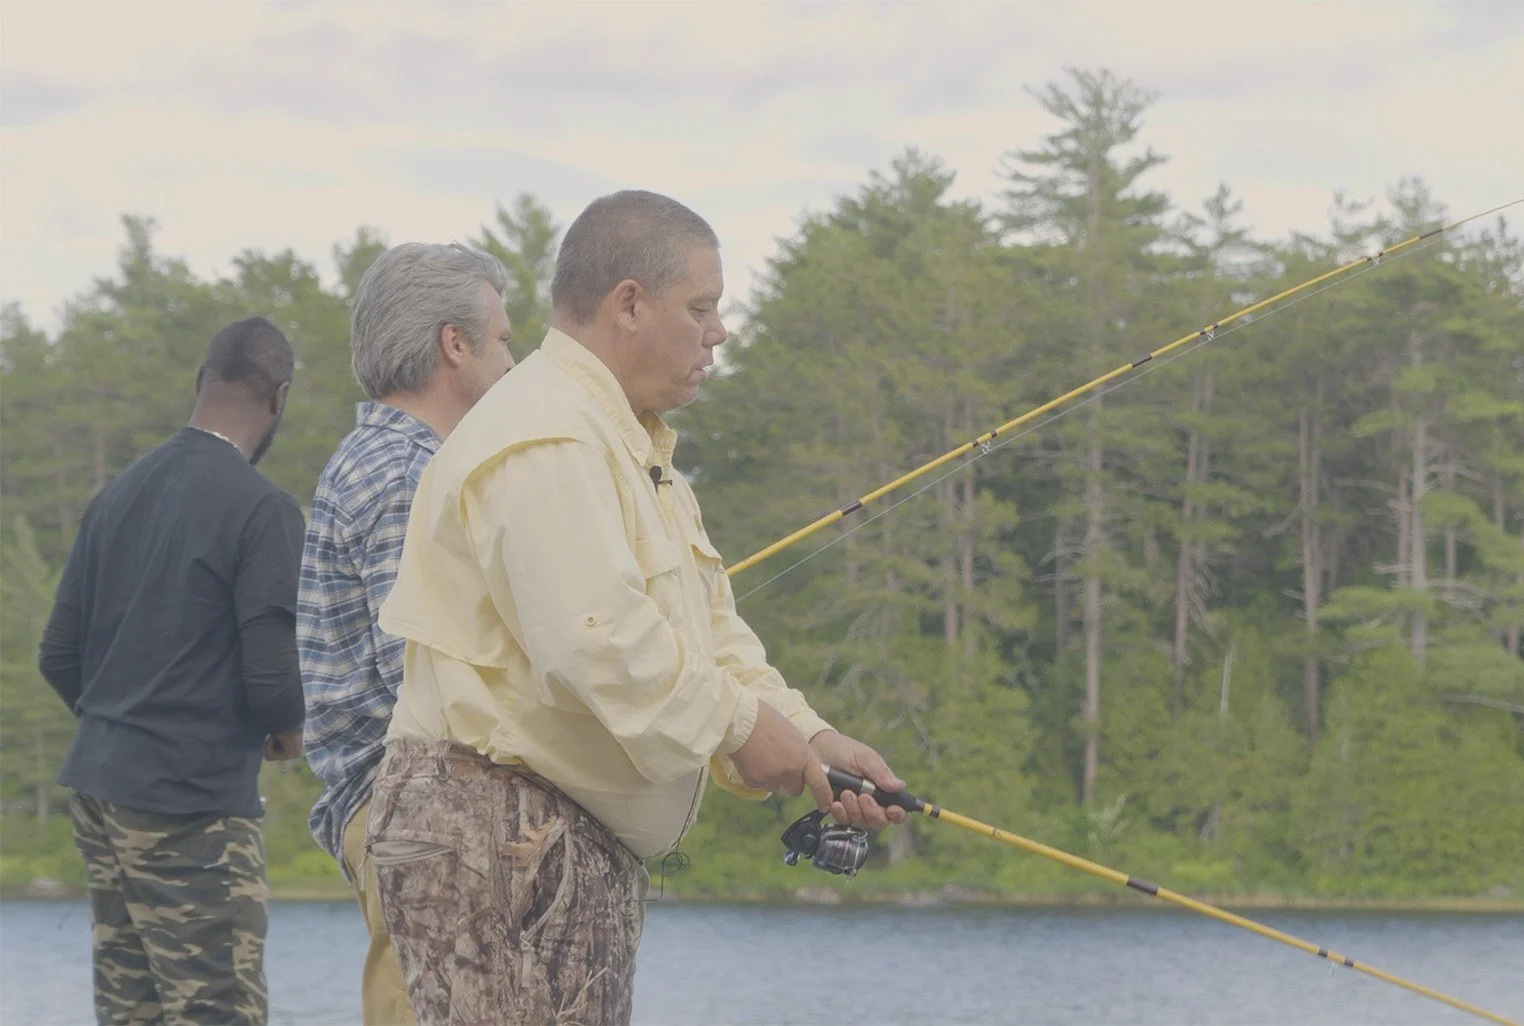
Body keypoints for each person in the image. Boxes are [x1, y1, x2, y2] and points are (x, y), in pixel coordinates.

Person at [367, 189, 911, 1025]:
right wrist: (738, 727)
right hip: (497, 830)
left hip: (552, 837)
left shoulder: (629, 450)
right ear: (628, 303)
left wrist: (809, 741)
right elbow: (594, 642)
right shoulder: (545, 432)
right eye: (701, 307)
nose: (718, 332)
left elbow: (713, 636)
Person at [38, 316, 305, 1026]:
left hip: (99, 788)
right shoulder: (263, 510)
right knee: (218, 1009)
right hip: (190, 805)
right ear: (278, 398)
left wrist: (125, 719)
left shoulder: (118, 493)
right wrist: (285, 728)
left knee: (133, 1011)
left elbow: (58, 655)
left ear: (200, 382)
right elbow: (272, 678)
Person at [296, 242, 513, 1025]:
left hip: (418, 818)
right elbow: (426, 678)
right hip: (419, 817)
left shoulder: (404, 462)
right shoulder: (406, 474)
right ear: (454, 345)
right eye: (504, 340)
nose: (514, 361)